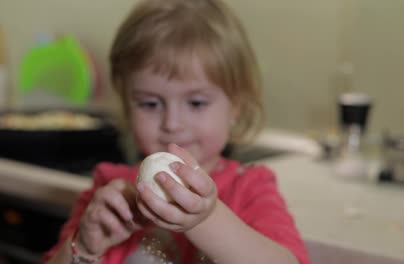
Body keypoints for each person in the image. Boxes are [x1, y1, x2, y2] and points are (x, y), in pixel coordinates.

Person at [44, 0, 310, 263]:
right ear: (127, 104)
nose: (172, 123)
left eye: (196, 103)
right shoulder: (109, 192)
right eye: (150, 103)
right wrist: (85, 248)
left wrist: (205, 218)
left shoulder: (249, 189)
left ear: (235, 107)